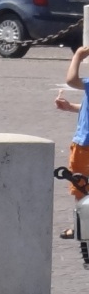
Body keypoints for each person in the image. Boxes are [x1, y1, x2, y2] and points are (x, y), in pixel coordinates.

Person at [55, 45, 89, 237]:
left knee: (80, 186)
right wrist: (70, 107)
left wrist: (78, 56)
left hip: (84, 145)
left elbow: (71, 80)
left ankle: (81, 227)